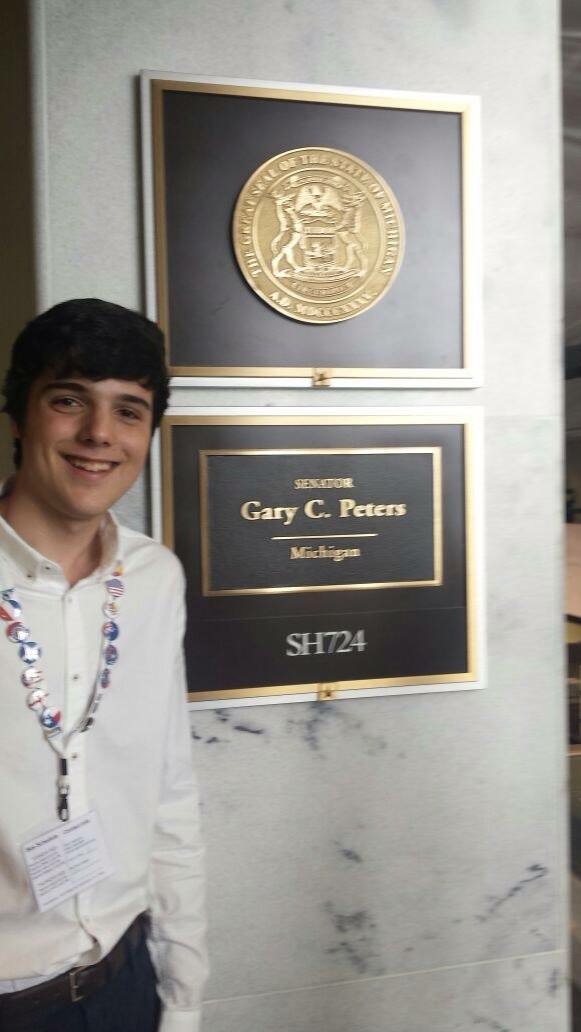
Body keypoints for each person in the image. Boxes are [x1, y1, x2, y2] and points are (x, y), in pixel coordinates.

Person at [0, 299, 207, 1032]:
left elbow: (170, 795)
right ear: (19, 416)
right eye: (69, 401)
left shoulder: (154, 579)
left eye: (129, 411)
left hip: (125, 981)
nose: (99, 434)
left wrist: (182, 998)